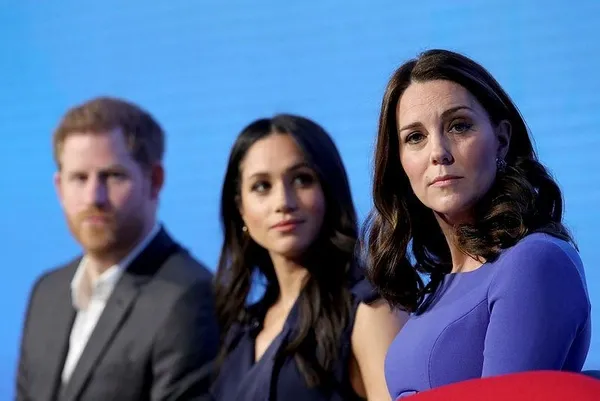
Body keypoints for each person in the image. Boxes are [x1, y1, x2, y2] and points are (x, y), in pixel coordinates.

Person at [363, 49, 591, 399]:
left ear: (501, 139)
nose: (438, 152)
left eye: (459, 126)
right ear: (400, 161)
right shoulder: (438, 287)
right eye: (415, 137)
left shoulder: (534, 262)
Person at [16, 97, 219, 401]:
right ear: (59, 188)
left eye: (112, 176)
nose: (93, 197)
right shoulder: (47, 292)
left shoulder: (190, 297)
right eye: (79, 178)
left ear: (155, 181)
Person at [210, 114, 405, 401]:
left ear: (329, 190)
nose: (283, 202)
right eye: (262, 186)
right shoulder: (238, 328)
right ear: (240, 208)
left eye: (302, 180)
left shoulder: (370, 308)